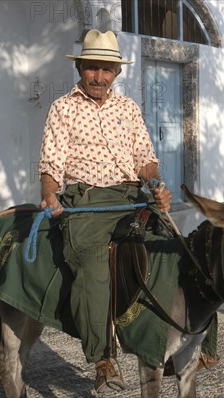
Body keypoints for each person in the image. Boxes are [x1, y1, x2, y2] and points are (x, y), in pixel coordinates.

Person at [38, 29, 171, 393]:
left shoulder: (127, 108)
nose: (99, 77)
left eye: (107, 69)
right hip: (88, 201)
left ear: (117, 72)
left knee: (173, 243)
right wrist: (50, 194)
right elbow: (51, 164)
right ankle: (103, 358)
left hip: (131, 197)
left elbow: (145, 158)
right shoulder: (63, 108)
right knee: (92, 261)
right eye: (92, 68)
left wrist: (156, 185)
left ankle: (196, 340)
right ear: (80, 68)